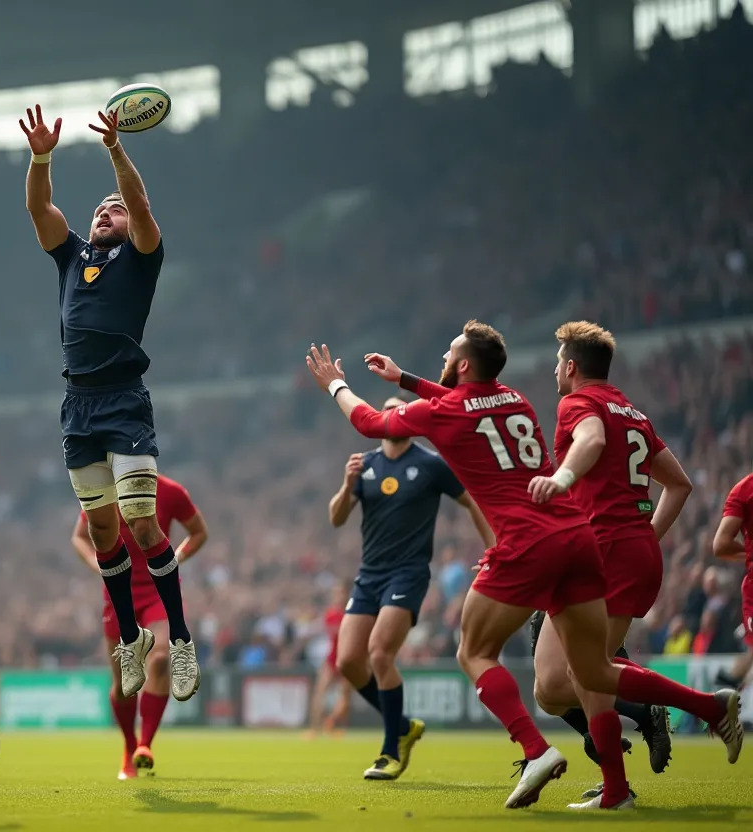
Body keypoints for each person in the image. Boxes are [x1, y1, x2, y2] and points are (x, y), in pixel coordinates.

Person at [305, 322, 742, 811]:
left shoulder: (490, 408)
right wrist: (404, 379)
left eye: (449, 353)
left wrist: (335, 386)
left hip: (528, 543)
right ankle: (706, 707)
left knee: (473, 652)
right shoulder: (516, 399)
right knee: (591, 671)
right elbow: (465, 406)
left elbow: (369, 422)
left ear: (463, 365)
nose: (444, 360)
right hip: (577, 538)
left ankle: (535, 751)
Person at [21, 103, 198, 700]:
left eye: (113, 209)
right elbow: (39, 208)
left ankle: (178, 640)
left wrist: (117, 150)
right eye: (99, 208)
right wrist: (41, 156)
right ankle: (131, 638)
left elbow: (142, 208)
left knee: (143, 524)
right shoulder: (71, 256)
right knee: (102, 531)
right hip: (77, 406)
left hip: (124, 402)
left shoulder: (142, 257)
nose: (105, 212)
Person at [526, 322, 684, 796]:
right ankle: (642, 715)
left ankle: (618, 786)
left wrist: (563, 478)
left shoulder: (579, 404)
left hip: (605, 554)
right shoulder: (631, 412)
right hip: (625, 552)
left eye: (558, 362)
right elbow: (680, 484)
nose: (556, 369)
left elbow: (591, 440)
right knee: (552, 687)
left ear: (571, 366)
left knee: (582, 676)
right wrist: (647, 537)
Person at [327, 396, 494, 780]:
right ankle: (402, 725)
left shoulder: (431, 464)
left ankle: (390, 751)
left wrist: (493, 548)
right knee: (349, 662)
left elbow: (474, 502)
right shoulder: (365, 465)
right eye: (388, 411)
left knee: (380, 653)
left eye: (401, 411)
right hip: (369, 575)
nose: (394, 417)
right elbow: (337, 518)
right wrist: (347, 483)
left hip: (409, 574)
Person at [70, 474, 207, 780]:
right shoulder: (103, 490)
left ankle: (144, 745)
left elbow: (199, 532)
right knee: (123, 685)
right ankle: (129, 747)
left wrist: (176, 557)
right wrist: (97, 565)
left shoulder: (170, 491)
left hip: (158, 592)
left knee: (159, 659)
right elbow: (78, 536)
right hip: (118, 595)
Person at [714, 473, 753, 690]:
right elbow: (720, 545)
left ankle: (720, 700)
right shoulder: (745, 491)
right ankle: (722, 697)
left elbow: (721, 545)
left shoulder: (744, 490)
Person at [306, 584, 350, 739]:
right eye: (336, 593)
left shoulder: (354, 614)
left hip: (348, 660)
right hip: (332, 660)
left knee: (345, 696)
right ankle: (314, 729)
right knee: (320, 693)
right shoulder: (331, 614)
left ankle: (334, 724)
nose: (338, 596)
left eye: (340, 593)